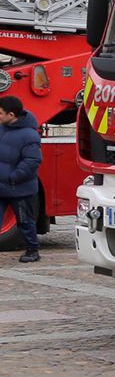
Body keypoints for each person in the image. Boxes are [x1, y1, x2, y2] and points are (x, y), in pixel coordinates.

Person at [0, 97, 41, 263]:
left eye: (1, 113)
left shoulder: (30, 135)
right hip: (1, 186)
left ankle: (32, 250)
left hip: (20, 188)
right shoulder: (1, 128)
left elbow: (32, 161)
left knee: (24, 220)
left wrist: (13, 177)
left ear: (11, 114)